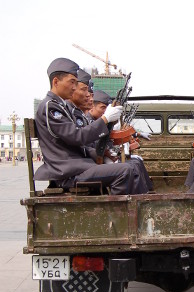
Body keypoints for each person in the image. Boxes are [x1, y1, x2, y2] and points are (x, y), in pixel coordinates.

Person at [35, 57, 146, 195]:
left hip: (75, 168)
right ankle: (118, 213)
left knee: (129, 167)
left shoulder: (61, 106)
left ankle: (138, 206)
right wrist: (105, 119)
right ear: (56, 82)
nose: (74, 87)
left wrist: (102, 153)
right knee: (125, 171)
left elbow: (78, 144)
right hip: (67, 173)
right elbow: (77, 137)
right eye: (72, 82)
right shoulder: (51, 107)